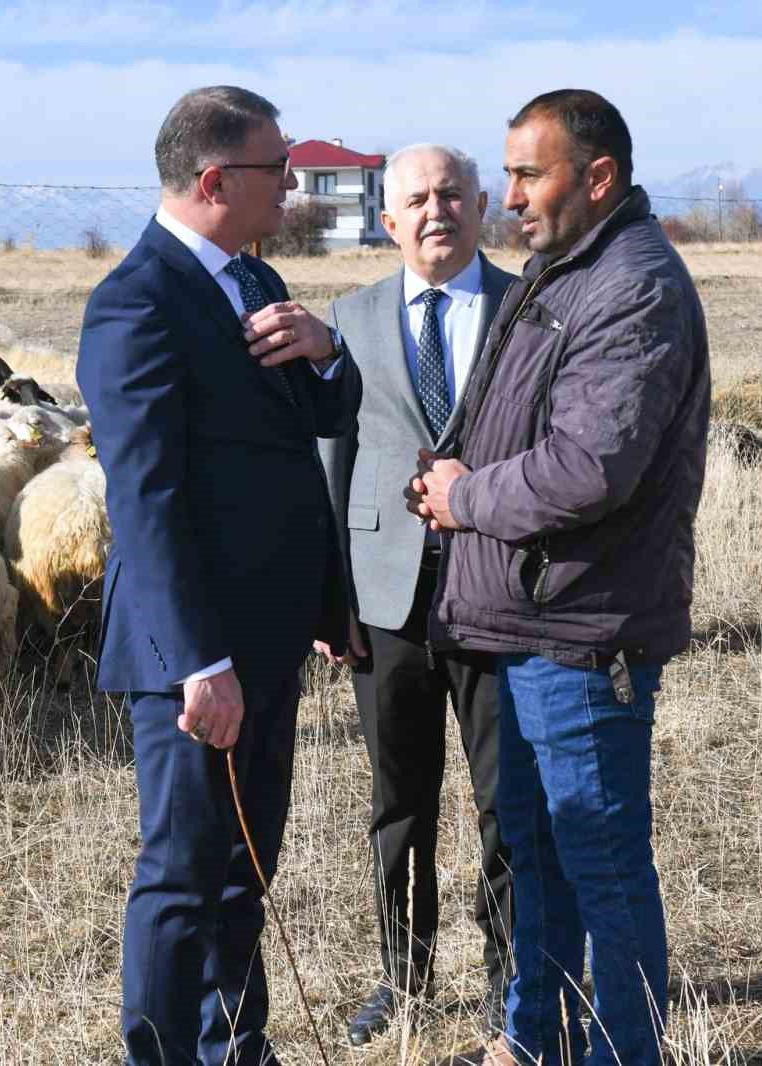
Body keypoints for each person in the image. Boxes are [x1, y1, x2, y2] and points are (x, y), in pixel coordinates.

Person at [409, 90, 710, 1066]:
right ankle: (533, 1039)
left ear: (597, 178)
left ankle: (624, 1053)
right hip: (528, 623)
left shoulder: (632, 285)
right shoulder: (562, 271)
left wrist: (465, 500)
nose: (508, 197)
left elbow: (589, 467)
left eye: (527, 174)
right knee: (536, 862)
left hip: (585, 636)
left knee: (602, 870)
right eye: (505, 174)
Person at [76, 85, 363, 1066]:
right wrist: (199, 660)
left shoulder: (252, 280)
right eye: (274, 169)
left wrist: (328, 351)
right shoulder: (136, 301)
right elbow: (145, 499)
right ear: (212, 180)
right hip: (192, 654)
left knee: (247, 862)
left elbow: (310, 429)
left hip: (271, 637)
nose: (290, 184)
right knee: (182, 869)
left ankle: (235, 1045)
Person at [315, 143, 517, 1044]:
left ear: (481, 207)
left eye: (451, 194)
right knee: (399, 802)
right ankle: (403, 975)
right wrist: (331, 595)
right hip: (383, 599)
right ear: (387, 220)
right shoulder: (349, 318)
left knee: (508, 802)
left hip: (501, 594)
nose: (435, 211)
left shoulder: (528, 309)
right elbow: (332, 458)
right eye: (415, 200)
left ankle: (509, 982)